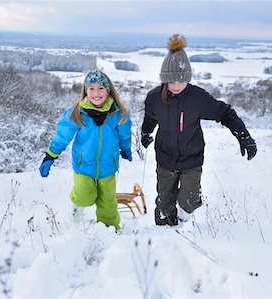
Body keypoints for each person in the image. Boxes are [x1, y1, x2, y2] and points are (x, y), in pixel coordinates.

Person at [140, 34, 257, 226]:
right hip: (165, 159)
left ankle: (184, 221)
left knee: (189, 200)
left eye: (181, 80)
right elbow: (150, 118)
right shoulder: (154, 98)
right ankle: (164, 230)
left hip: (191, 159)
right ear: (164, 79)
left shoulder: (197, 98)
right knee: (164, 203)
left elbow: (225, 113)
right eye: (172, 81)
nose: (176, 85)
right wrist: (146, 133)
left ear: (188, 78)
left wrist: (243, 136)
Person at [39, 70, 132, 230]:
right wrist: (50, 156)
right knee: (83, 196)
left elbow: (124, 134)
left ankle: (110, 230)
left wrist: (126, 148)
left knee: (108, 202)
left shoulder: (118, 113)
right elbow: (62, 136)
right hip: (84, 166)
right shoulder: (77, 113)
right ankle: (76, 213)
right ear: (85, 91)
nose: (96, 93)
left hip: (108, 166)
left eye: (101, 88)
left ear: (108, 90)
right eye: (91, 88)